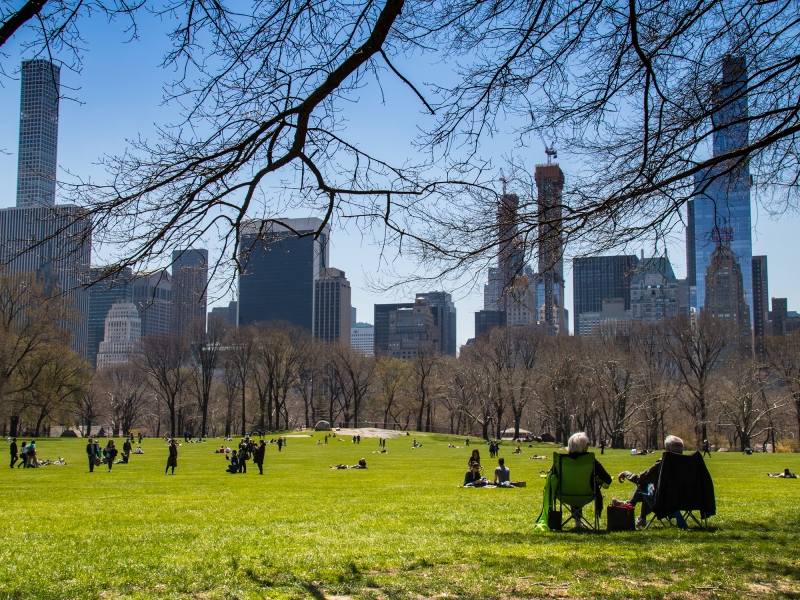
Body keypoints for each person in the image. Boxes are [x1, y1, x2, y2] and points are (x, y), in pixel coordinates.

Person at [613, 435, 685, 528]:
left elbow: (641, 479)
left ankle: (633, 509)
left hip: (663, 499)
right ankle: (632, 507)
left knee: (645, 483)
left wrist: (626, 473)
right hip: (685, 499)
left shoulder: (663, 463)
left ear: (667, 449)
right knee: (648, 484)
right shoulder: (688, 463)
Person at [564, 432, 612, 528]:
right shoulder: (590, 460)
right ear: (583, 446)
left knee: (575, 486)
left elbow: (551, 475)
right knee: (579, 486)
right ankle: (579, 522)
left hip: (564, 494)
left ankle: (577, 521)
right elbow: (607, 479)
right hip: (587, 494)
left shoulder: (562, 460)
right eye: (587, 444)